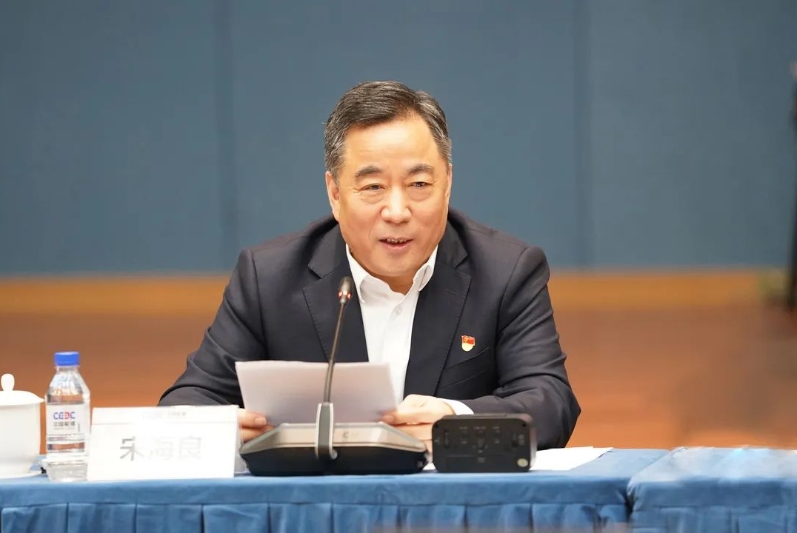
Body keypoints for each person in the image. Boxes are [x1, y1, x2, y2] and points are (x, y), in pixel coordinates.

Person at [159, 80, 580, 450]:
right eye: (373, 186)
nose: (397, 212)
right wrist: (220, 428)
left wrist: (455, 420)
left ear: (448, 183)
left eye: (419, 184)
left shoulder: (506, 271)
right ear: (335, 193)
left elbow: (551, 402)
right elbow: (185, 404)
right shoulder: (268, 278)